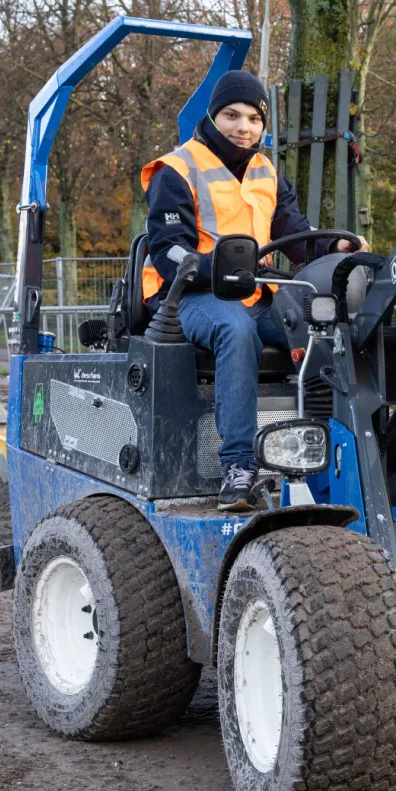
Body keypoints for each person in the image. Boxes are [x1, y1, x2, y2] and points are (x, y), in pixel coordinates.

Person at [140, 70, 365, 510]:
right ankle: (238, 466)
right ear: (213, 115)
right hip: (188, 295)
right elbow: (167, 251)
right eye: (231, 115)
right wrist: (213, 269)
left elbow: (295, 234)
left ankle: (331, 455)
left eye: (253, 119)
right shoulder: (177, 169)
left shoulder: (266, 172)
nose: (243, 127)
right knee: (236, 331)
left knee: (325, 329)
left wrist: (333, 246)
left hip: (252, 293)